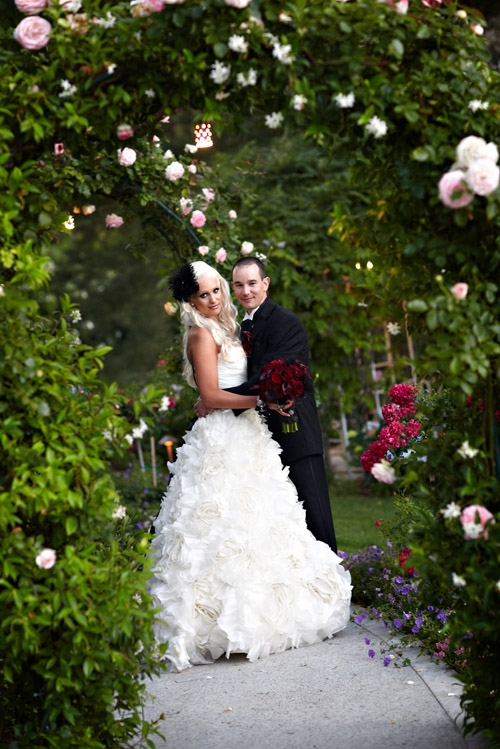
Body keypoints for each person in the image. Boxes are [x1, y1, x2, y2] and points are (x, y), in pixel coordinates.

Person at [148, 260, 351, 672]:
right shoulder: (203, 333)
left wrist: (254, 400)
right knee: (220, 523)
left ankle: (295, 600)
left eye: (217, 290)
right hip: (224, 436)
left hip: (254, 435)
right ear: (191, 299)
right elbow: (212, 392)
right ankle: (220, 621)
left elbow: (253, 378)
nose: (214, 298)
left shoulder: (238, 328)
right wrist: (257, 400)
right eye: (203, 294)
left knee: (268, 517)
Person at [221, 257, 338, 553]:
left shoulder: (286, 322)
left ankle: (335, 588)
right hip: (260, 438)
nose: (246, 291)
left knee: (315, 516)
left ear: (265, 283)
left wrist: (218, 400)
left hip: (294, 429)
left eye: (252, 283)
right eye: (239, 284)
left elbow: (270, 378)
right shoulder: (239, 327)